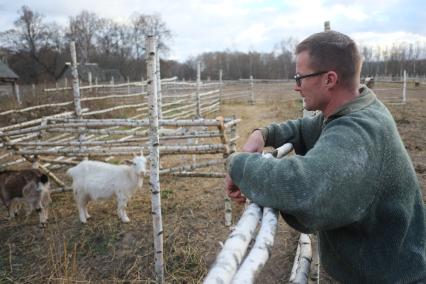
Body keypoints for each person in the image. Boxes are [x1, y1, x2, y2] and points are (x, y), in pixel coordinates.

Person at [225, 30, 426, 283]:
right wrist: (263, 134)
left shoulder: (357, 134)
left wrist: (236, 163)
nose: (295, 86)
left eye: (300, 77)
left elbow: (303, 189)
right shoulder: (357, 108)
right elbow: (305, 128)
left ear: (329, 79)